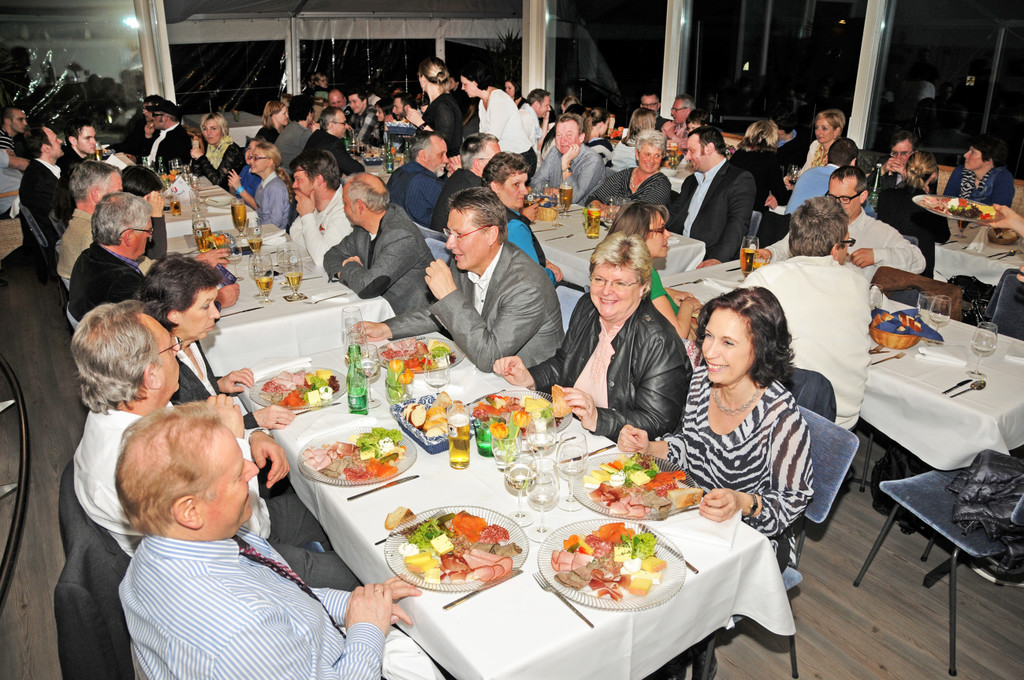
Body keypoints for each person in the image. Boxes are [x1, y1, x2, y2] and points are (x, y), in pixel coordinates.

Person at [116, 403, 441, 680]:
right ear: (190, 510)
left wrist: (356, 603)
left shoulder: (168, 547)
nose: (251, 469)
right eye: (236, 474)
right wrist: (367, 627)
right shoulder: (240, 634)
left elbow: (286, 595)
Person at [73, 301, 360, 591]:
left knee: (340, 510)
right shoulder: (140, 460)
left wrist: (253, 435)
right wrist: (237, 440)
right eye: (171, 348)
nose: (179, 351)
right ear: (151, 376)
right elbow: (249, 525)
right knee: (363, 574)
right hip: (233, 566)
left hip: (241, 526)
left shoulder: (134, 410)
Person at [617, 286, 812, 571]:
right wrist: (649, 448)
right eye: (708, 336)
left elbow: (792, 503)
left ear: (761, 349)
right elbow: (690, 446)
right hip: (692, 517)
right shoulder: (702, 382)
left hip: (751, 539)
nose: (709, 351)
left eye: (728, 343)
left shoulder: (781, 417)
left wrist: (741, 502)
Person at [495, 233, 690, 440]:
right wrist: (529, 377)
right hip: (573, 430)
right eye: (599, 279)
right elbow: (564, 363)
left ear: (642, 287)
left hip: (617, 446)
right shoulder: (587, 307)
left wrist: (597, 418)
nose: (606, 291)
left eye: (620, 283)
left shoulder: (658, 341)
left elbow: (658, 421)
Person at [361, 188, 563, 371]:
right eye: (449, 232)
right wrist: (387, 328)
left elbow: (490, 357)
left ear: (491, 234)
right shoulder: (466, 262)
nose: (449, 244)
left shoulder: (526, 286)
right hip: (476, 367)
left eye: (460, 235)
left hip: (524, 389)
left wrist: (449, 295)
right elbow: (443, 312)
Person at [742, 196, 871, 429]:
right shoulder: (859, 282)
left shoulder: (767, 279)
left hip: (781, 420)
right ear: (835, 249)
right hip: (842, 424)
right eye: (847, 243)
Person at [137, 253, 295, 432]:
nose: (216, 313)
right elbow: (191, 432)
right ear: (174, 315)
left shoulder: (188, 335)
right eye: (206, 306)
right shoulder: (163, 366)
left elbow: (196, 394)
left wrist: (217, 383)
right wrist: (254, 421)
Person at [763, 166, 925, 280]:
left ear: (862, 197)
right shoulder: (818, 219)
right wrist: (769, 253)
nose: (837, 204)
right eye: (832, 197)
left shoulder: (879, 231)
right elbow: (786, 246)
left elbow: (918, 261)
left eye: (845, 199)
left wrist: (877, 255)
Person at [323, 173, 433, 314]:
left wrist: (350, 266)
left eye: (345, 203)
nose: (344, 208)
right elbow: (332, 255)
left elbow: (368, 287)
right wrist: (343, 273)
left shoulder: (401, 235)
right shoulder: (362, 230)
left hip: (410, 318)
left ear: (359, 206)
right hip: (377, 311)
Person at [607, 202, 701, 341]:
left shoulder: (614, 265)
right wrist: (689, 304)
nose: (668, 234)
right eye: (661, 230)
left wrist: (665, 291)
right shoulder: (645, 273)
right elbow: (678, 334)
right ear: (640, 235)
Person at [666, 126, 756, 266]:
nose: (687, 157)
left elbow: (737, 226)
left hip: (708, 255)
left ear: (709, 149)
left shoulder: (739, 179)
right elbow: (674, 213)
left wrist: (717, 259)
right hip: (680, 250)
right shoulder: (691, 181)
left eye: (691, 151)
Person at [67, 192, 155, 321]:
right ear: (128, 237)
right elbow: (152, 321)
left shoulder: (86, 256)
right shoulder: (123, 282)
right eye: (148, 230)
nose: (149, 236)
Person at [481, 151, 562, 285]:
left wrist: (544, 262)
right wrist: (552, 275)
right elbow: (535, 279)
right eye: (516, 184)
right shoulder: (513, 226)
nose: (524, 191)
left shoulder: (481, 210)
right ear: (496, 187)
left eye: (525, 183)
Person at [876, 151, 950, 278]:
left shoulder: (885, 196)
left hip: (886, 271)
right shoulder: (934, 205)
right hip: (919, 277)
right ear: (933, 175)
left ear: (906, 170)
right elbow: (943, 237)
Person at [460, 61, 536, 171]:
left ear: (475, 82)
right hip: (508, 158)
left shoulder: (498, 100)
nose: (462, 88)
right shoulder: (482, 102)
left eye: (465, 84)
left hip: (522, 159)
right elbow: (483, 136)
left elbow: (491, 139)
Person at [57, 161, 124, 280]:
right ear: (96, 195)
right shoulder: (94, 237)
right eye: (118, 193)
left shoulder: (79, 227)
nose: (123, 200)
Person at [288, 149, 352, 268]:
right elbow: (293, 231)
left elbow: (322, 257)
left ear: (319, 180)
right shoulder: (312, 202)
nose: (294, 185)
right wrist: (313, 244)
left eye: (298, 179)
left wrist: (307, 216)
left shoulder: (345, 210)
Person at [430, 132, 499, 232]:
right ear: (478, 164)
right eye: (496, 159)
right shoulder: (478, 190)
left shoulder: (458, 176)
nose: (502, 163)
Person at [530, 113, 605, 204]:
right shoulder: (554, 151)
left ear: (581, 137)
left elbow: (572, 198)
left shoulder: (592, 160)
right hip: (552, 209)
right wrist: (549, 190)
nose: (562, 140)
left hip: (580, 212)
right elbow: (535, 182)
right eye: (559, 135)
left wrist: (566, 165)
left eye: (568, 135)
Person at [587, 129, 671, 208]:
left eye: (657, 156)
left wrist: (613, 211)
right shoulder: (624, 175)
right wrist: (605, 209)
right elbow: (594, 197)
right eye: (647, 154)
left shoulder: (661, 184)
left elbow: (644, 214)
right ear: (637, 154)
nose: (651, 160)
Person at [401, 57, 464, 159]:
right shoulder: (438, 102)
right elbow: (432, 133)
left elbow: (444, 143)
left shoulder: (444, 104)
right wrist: (414, 134)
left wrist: (420, 123)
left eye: (419, 76)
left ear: (423, 79)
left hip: (445, 165)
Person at [785, 137, 864, 215]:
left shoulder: (808, 173)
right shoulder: (845, 183)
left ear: (826, 158)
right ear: (853, 163)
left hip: (787, 222)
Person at [386, 130, 447, 227]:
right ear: (423, 155)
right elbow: (453, 215)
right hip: (423, 235)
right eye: (441, 154)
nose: (446, 160)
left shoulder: (398, 172)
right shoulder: (429, 183)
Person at [728, 120, 791, 212]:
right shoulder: (769, 159)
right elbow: (782, 197)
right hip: (754, 212)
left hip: (732, 209)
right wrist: (792, 191)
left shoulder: (738, 155)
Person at [943, 134, 1015, 207]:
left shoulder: (1003, 177)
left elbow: (1000, 211)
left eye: (973, 152)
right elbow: (945, 202)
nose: (965, 155)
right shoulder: (959, 171)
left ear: (988, 160)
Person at [189, 112, 244, 190]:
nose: (208, 133)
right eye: (205, 129)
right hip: (214, 190)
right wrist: (196, 158)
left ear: (223, 130)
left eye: (213, 128)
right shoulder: (209, 147)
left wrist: (201, 157)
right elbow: (196, 174)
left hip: (231, 193)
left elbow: (218, 181)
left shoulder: (232, 150)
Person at [303, 105, 362, 177]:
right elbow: (357, 170)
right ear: (331, 125)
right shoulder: (333, 144)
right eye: (343, 123)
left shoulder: (317, 135)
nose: (346, 126)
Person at [250, 140, 291, 229]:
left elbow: (275, 222)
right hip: (263, 228)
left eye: (256, 158)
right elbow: (261, 212)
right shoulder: (263, 184)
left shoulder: (275, 187)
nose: (251, 161)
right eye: (251, 157)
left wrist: (256, 229)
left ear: (269, 162)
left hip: (272, 233)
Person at [146, 99, 192, 168]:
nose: (152, 118)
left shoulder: (179, 137)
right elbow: (150, 156)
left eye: (154, 115)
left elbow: (170, 167)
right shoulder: (159, 133)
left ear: (165, 118)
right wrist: (148, 135)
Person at [275, 94, 317, 168]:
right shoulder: (304, 133)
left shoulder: (291, 127)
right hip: (290, 172)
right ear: (309, 113)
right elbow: (318, 156)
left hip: (281, 169)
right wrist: (317, 133)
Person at [610, 108, 658, 172]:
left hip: (616, 175)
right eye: (654, 125)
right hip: (627, 177)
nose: (655, 128)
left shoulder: (624, 142)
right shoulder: (638, 148)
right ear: (648, 126)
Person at [799, 108, 845, 175]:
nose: (818, 132)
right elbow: (805, 171)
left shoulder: (842, 152)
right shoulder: (815, 145)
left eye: (824, 128)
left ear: (836, 131)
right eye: (816, 127)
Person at [226, 138, 263, 211]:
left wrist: (239, 187)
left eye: (255, 149)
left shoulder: (260, 175)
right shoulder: (246, 169)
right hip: (241, 209)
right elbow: (237, 197)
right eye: (249, 148)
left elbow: (258, 207)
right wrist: (232, 188)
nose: (250, 152)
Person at [519, 88, 551, 162]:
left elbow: (540, 144)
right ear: (536, 104)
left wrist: (546, 120)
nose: (549, 109)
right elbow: (536, 148)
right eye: (547, 105)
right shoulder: (525, 117)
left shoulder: (530, 116)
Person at [0, 106, 30, 171]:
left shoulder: (6, 136)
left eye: (25, 120)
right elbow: (8, 167)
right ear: (8, 121)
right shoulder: (4, 137)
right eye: (20, 119)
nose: (25, 123)